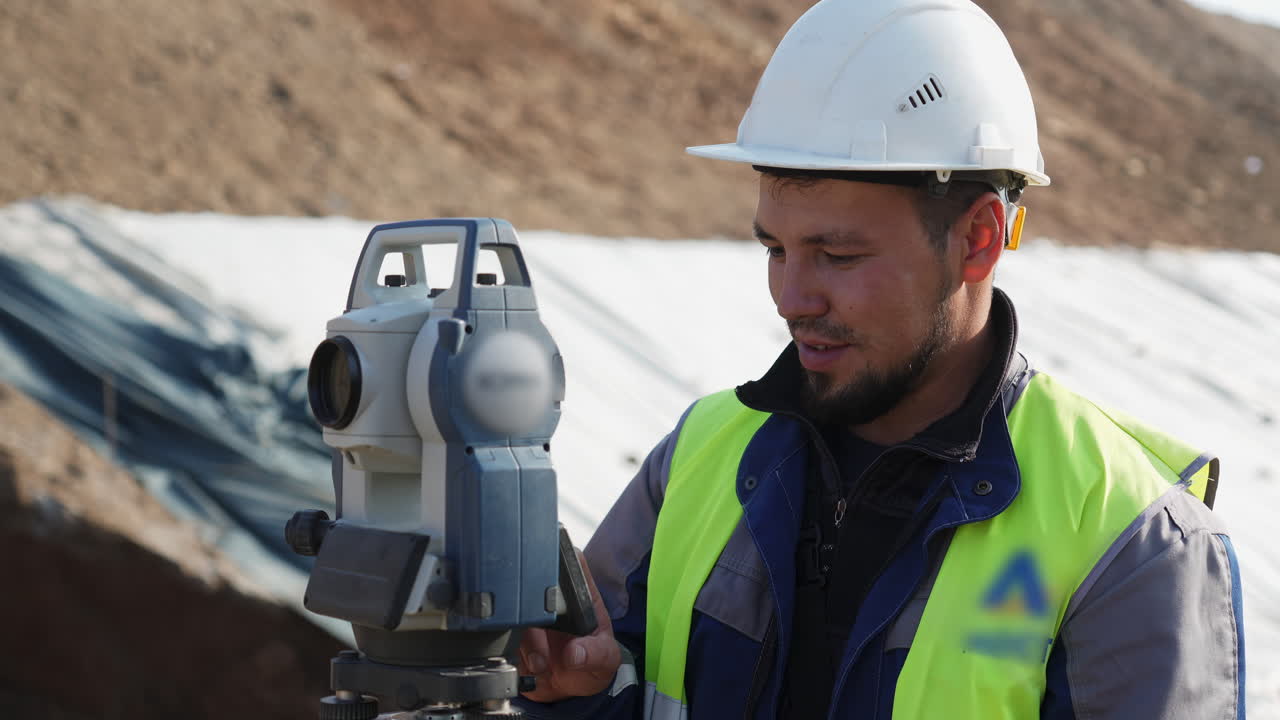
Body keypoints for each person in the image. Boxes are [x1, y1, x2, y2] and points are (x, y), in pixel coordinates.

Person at [515, 0, 1245, 717]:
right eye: (775, 249)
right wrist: (581, 696)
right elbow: (608, 681)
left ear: (978, 239)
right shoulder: (698, 457)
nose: (791, 298)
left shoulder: (1130, 537)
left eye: (837, 255)